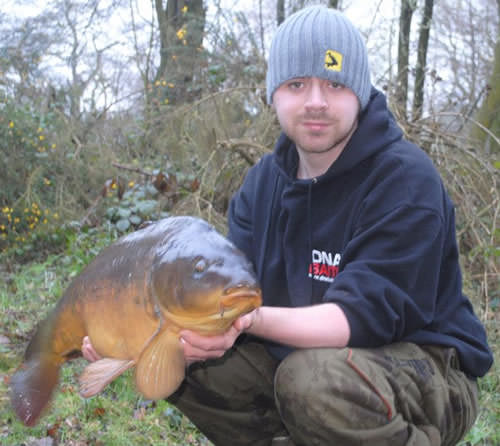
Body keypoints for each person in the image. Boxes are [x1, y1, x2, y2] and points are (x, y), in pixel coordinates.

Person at [83, 5, 493, 446]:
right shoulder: (262, 182)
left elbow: (356, 319)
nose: (315, 101)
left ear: (359, 91)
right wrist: (172, 336)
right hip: (306, 360)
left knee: (312, 381)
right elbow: (230, 288)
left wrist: (241, 318)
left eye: (334, 83)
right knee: (187, 365)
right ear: (273, 94)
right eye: (297, 84)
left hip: (427, 366)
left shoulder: (405, 179)